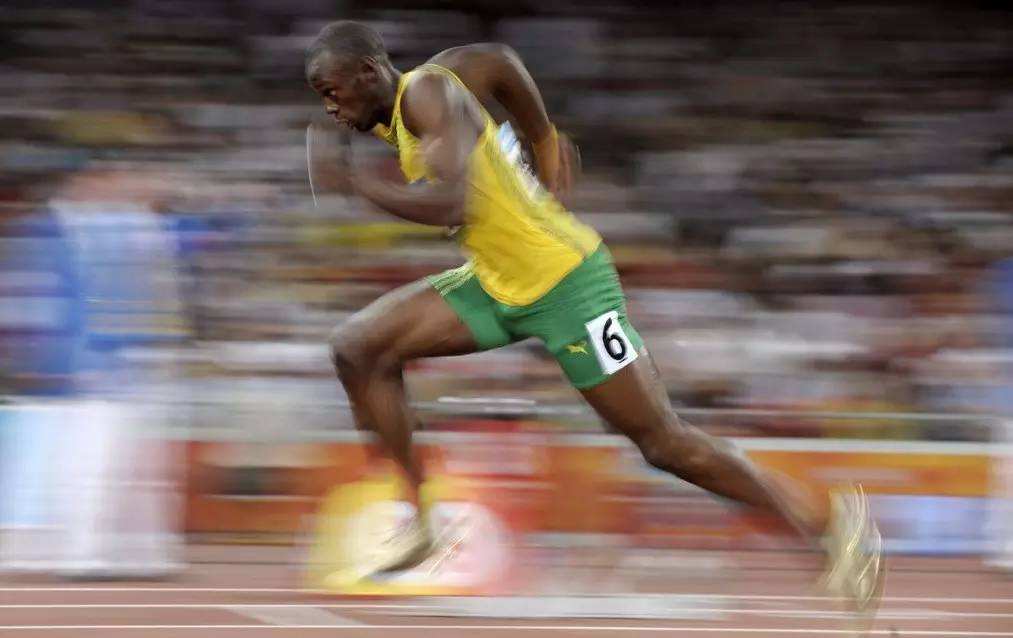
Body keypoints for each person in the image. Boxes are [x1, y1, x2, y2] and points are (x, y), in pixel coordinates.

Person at [304, 20, 883, 612]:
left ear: (368, 73)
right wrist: (544, 139)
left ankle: (829, 529)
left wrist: (357, 186)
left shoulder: (428, 92)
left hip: (568, 286)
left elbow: (457, 202)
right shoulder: (434, 83)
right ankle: (420, 519)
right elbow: (497, 60)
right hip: (498, 282)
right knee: (357, 347)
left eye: (331, 92)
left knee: (664, 443)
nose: (329, 108)